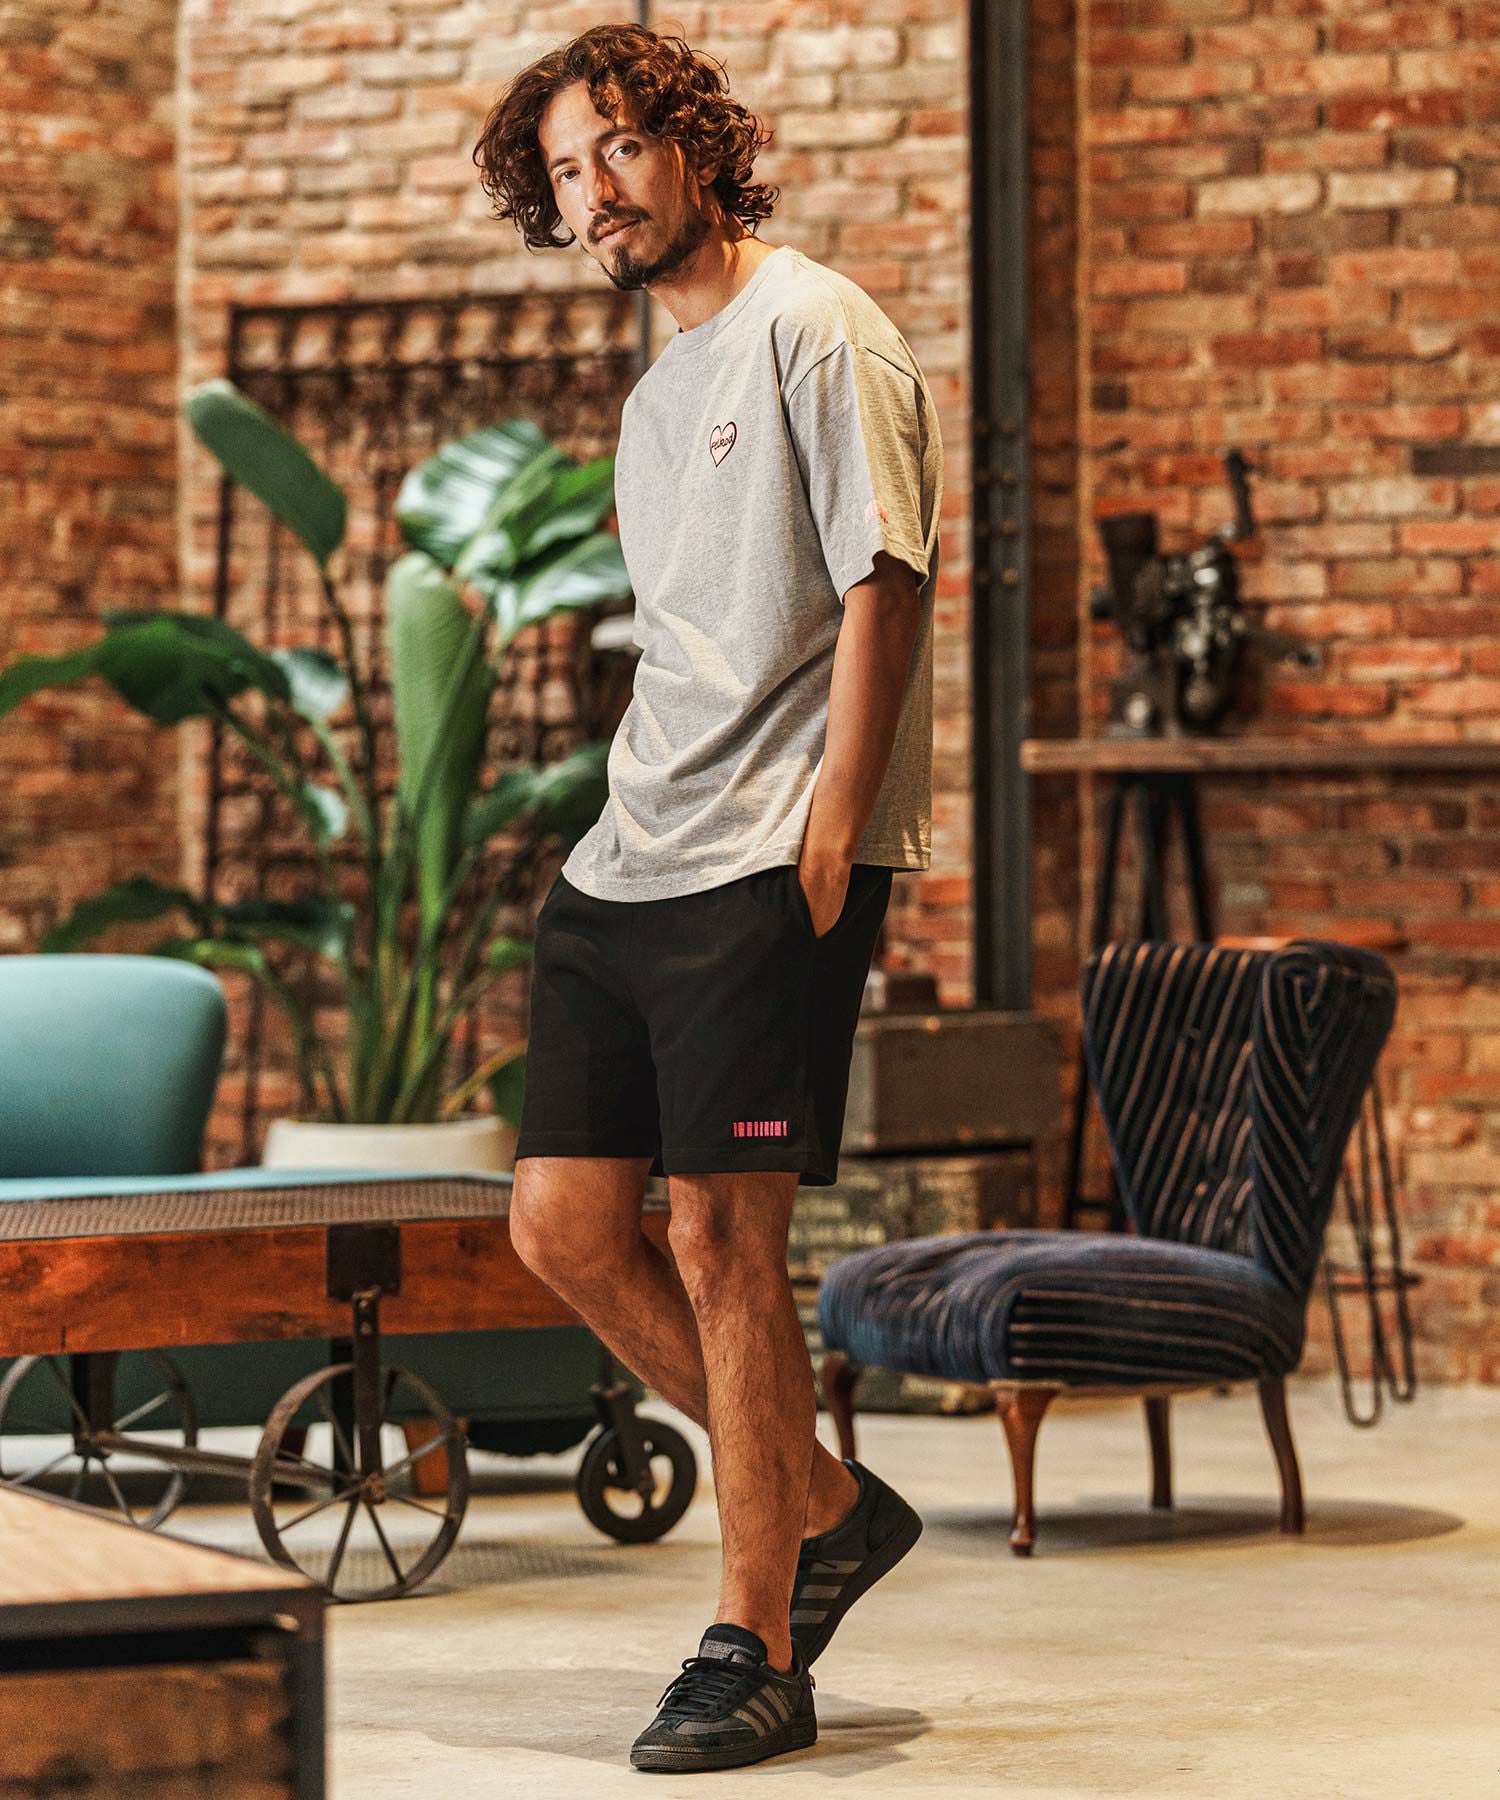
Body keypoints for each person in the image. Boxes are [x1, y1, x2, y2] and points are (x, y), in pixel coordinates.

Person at [473, 21, 943, 1774]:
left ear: (689, 143)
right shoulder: (656, 396)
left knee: (725, 1239)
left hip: (765, 856)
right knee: (560, 1224)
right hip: (631, 851)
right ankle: (821, 1500)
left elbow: (886, 577)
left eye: (616, 148)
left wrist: (833, 833)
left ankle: (757, 1642)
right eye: (564, 172)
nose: (595, 192)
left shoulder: (820, 326)